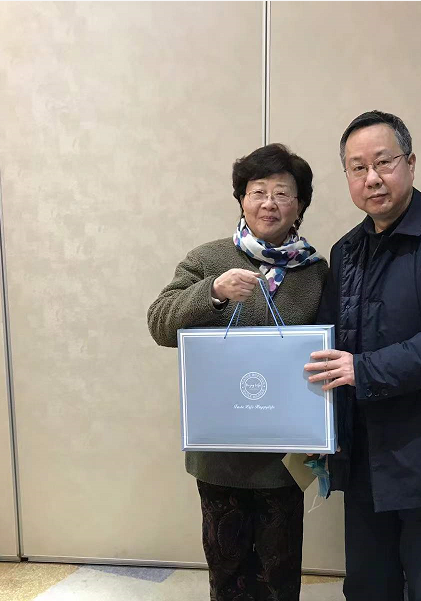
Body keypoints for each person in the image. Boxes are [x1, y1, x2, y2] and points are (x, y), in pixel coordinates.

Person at [304, 111, 421, 601]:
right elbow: (327, 347)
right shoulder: (346, 251)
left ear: (410, 163)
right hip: (367, 457)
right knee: (368, 586)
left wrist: (362, 369)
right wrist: (312, 424)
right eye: (357, 168)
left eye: (384, 162)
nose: (372, 178)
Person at [148, 143, 327, 601]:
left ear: (300, 204)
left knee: (279, 574)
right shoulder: (207, 259)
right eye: (257, 192)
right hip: (220, 451)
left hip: (284, 455)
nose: (269, 203)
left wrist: (327, 426)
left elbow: (334, 348)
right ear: (241, 200)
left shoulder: (316, 273)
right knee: (227, 575)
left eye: (282, 193)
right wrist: (213, 292)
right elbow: (159, 323)